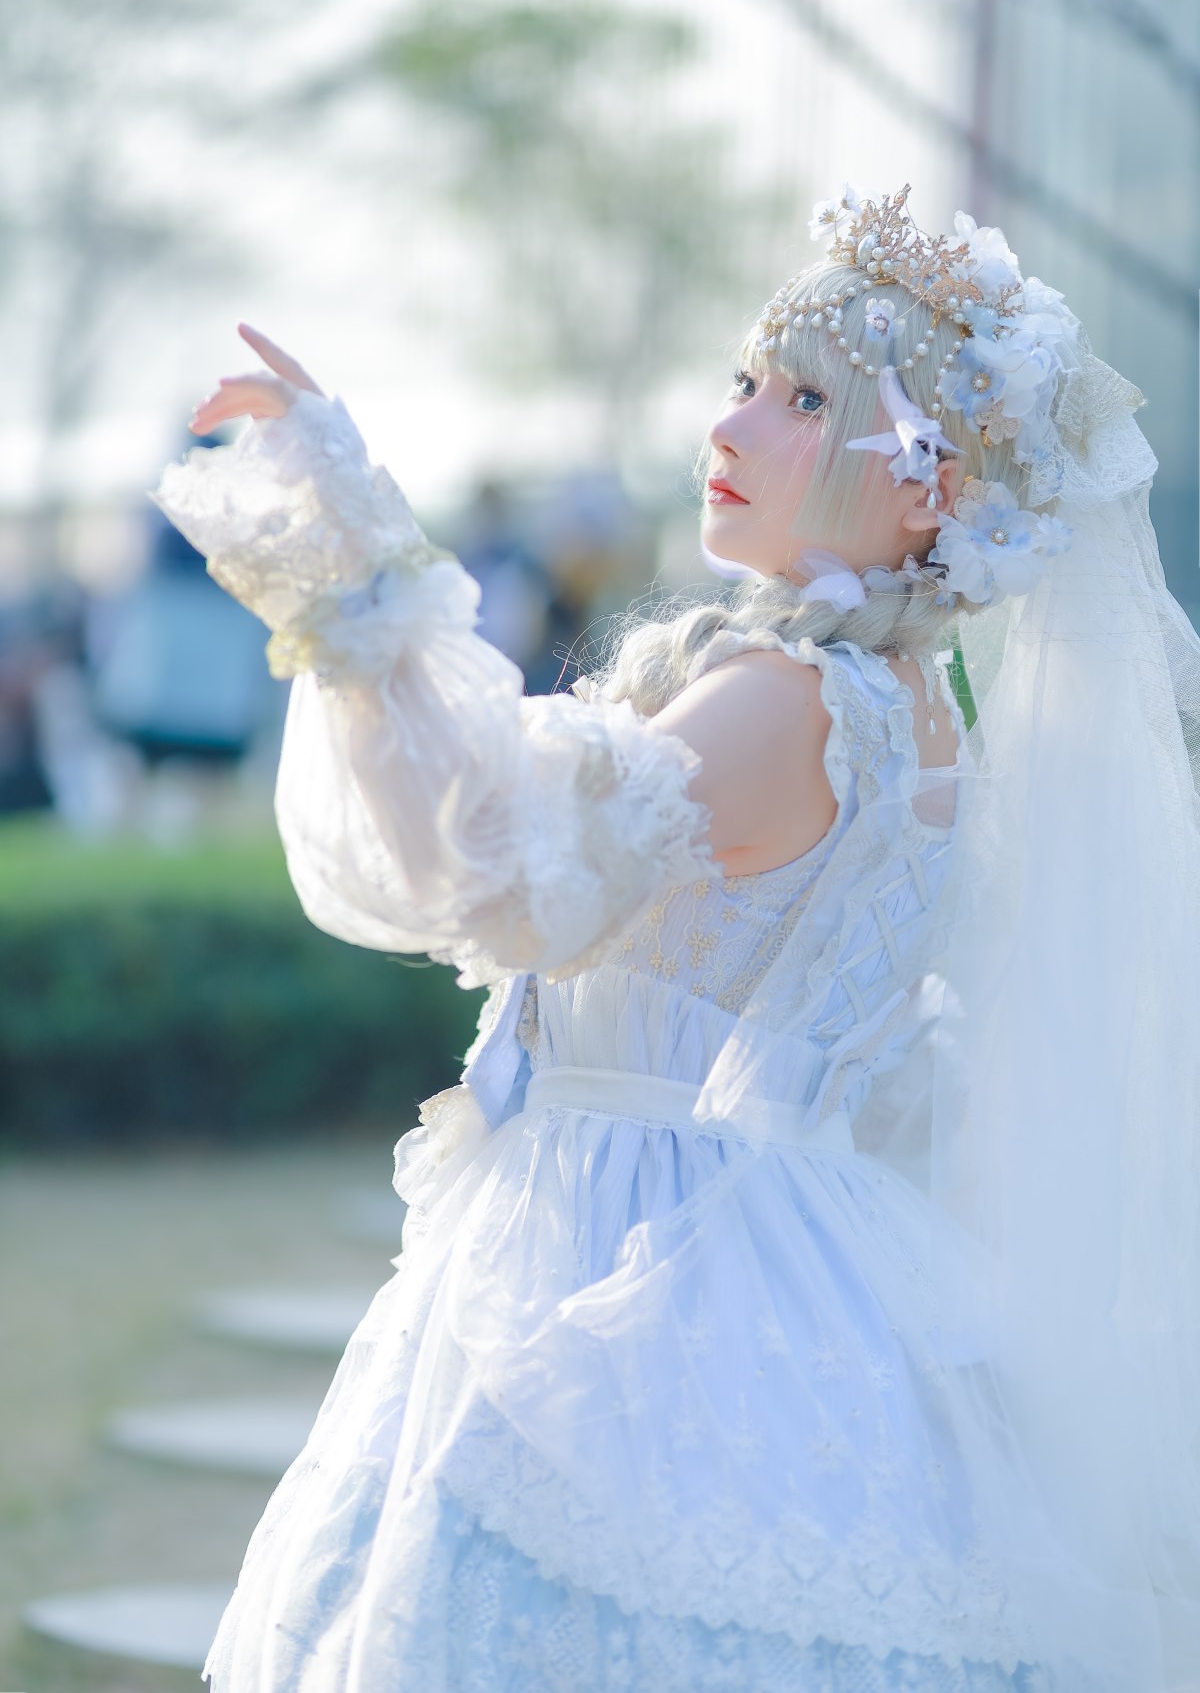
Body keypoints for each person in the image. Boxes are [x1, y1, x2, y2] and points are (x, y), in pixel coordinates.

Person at [152, 183, 1200, 1692]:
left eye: (805, 400)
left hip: (641, 1257)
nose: (733, 424)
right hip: (800, 1258)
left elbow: (501, 855)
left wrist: (358, 554)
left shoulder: (792, 699)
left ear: (931, 489)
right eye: (747, 381)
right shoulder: (914, 709)